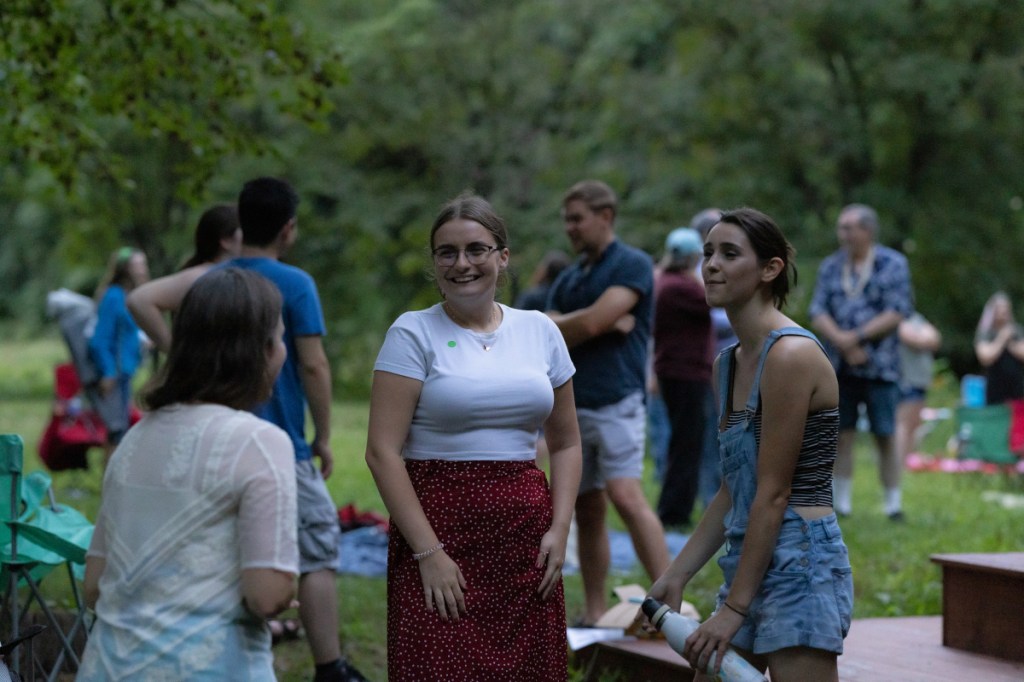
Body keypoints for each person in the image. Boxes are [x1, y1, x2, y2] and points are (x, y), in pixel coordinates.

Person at [365, 193, 582, 680]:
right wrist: (429, 554)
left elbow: (567, 442)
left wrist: (560, 527)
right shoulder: (412, 333)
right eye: (447, 252)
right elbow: (381, 452)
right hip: (439, 530)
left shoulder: (540, 330)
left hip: (525, 538)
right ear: (434, 262)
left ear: (502, 257)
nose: (461, 263)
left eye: (476, 249)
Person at [647, 207, 853, 682]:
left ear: (770, 269)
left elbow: (774, 492)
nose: (711, 265)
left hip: (800, 562)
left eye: (729, 254)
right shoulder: (728, 363)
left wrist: (734, 610)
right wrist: (676, 574)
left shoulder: (791, 354)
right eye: (707, 253)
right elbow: (732, 489)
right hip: (749, 555)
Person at [79, 267, 298, 680]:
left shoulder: (133, 440)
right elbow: (266, 595)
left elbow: (94, 586)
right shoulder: (260, 443)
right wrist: (283, 591)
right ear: (260, 350)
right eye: (280, 338)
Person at [229, 177, 362, 682]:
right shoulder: (295, 283)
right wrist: (322, 436)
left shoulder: (213, 280)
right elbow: (313, 364)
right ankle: (330, 667)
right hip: (284, 445)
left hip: (221, 441)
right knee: (318, 544)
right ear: (288, 229)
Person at [545, 179, 669, 625]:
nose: (570, 228)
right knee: (588, 508)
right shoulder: (570, 277)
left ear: (606, 216)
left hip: (618, 402)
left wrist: (586, 322)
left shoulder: (631, 263)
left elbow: (592, 323)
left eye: (577, 219)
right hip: (572, 407)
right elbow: (545, 328)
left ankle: (672, 602)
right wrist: (589, 321)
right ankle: (596, 611)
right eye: (566, 220)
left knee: (625, 495)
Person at [809, 204, 911, 520]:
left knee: (885, 433)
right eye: (841, 228)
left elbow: (897, 311)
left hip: (881, 365)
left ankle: (893, 504)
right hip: (839, 366)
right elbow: (817, 310)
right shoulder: (831, 266)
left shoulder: (892, 264)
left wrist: (856, 338)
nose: (842, 234)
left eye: (848, 228)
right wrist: (842, 341)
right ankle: (841, 503)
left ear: (867, 230)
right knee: (841, 432)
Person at [653, 227, 714, 529]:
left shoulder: (664, 281)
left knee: (683, 443)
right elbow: (713, 299)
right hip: (685, 372)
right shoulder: (679, 287)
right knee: (687, 445)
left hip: (677, 371)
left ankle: (674, 509)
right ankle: (674, 512)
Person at [127, 204, 242, 353]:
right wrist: (172, 350)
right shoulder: (205, 274)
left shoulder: (214, 274)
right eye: (245, 232)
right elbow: (139, 299)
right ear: (226, 240)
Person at [86, 247, 150, 458]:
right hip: (115, 374)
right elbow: (100, 339)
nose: (142, 269)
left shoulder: (127, 296)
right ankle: (110, 477)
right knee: (115, 431)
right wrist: (108, 372)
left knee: (119, 429)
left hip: (125, 372)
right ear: (125, 269)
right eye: (137, 265)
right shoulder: (114, 296)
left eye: (143, 264)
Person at [691, 208, 731, 509]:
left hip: (736, 361)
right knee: (709, 433)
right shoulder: (696, 272)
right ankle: (711, 497)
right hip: (704, 366)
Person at [895, 311, 942, 463]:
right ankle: (898, 464)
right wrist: (924, 338)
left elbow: (935, 338)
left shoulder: (915, 317)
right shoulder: (896, 316)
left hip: (919, 381)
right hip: (906, 379)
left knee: (914, 425)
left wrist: (924, 338)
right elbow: (914, 339)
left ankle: (906, 464)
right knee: (903, 424)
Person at [973, 291, 1024, 405]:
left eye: (1006, 307)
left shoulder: (1016, 331)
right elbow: (985, 357)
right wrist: (1002, 338)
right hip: (995, 390)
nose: (1003, 311)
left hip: (1017, 388)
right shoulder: (986, 333)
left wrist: (1012, 345)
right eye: (1000, 308)